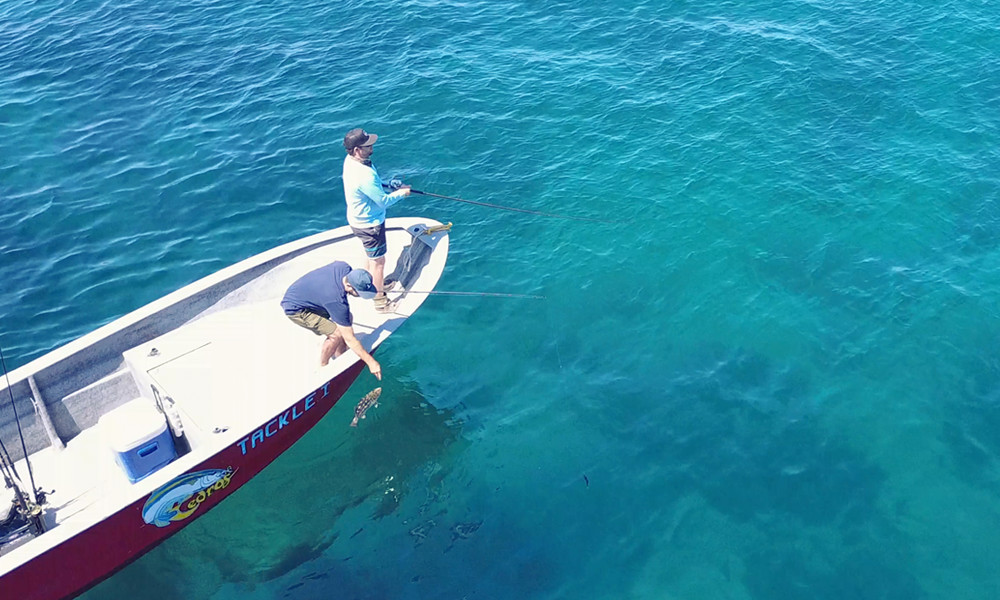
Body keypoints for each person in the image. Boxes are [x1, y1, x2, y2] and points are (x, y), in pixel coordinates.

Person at [342, 127, 411, 312]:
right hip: (370, 226)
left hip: (358, 221)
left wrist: (388, 184)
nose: (372, 147)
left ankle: (367, 285)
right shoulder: (363, 175)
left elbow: (372, 187)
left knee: (370, 257)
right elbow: (382, 201)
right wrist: (401, 193)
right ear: (357, 149)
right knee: (379, 262)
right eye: (367, 145)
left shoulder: (352, 162)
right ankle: (380, 301)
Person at [280, 261, 382, 379]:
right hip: (295, 308)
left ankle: (341, 354)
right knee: (336, 334)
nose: (359, 295)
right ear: (349, 286)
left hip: (308, 295)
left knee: (347, 318)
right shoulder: (336, 301)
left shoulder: (343, 267)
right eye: (358, 292)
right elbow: (350, 339)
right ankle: (323, 366)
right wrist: (371, 362)